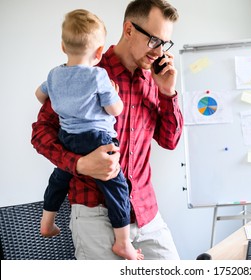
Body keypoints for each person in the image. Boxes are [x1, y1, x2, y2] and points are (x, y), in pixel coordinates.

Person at [31, 0, 183, 260]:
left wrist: (168, 93)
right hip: (94, 214)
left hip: (146, 214)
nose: (159, 52)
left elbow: (169, 141)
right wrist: (79, 164)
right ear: (129, 29)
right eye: (154, 40)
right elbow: (41, 132)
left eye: (164, 44)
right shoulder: (85, 73)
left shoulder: (154, 80)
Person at [34, 9, 143, 261]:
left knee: (59, 179)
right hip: (98, 140)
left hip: (68, 138)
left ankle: (47, 221)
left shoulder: (54, 74)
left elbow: (40, 97)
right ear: (98, 52)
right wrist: (113, 93)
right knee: (116, 187)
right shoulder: (98, 76)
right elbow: (116, 110)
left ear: (63, 46)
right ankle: (123, 243)